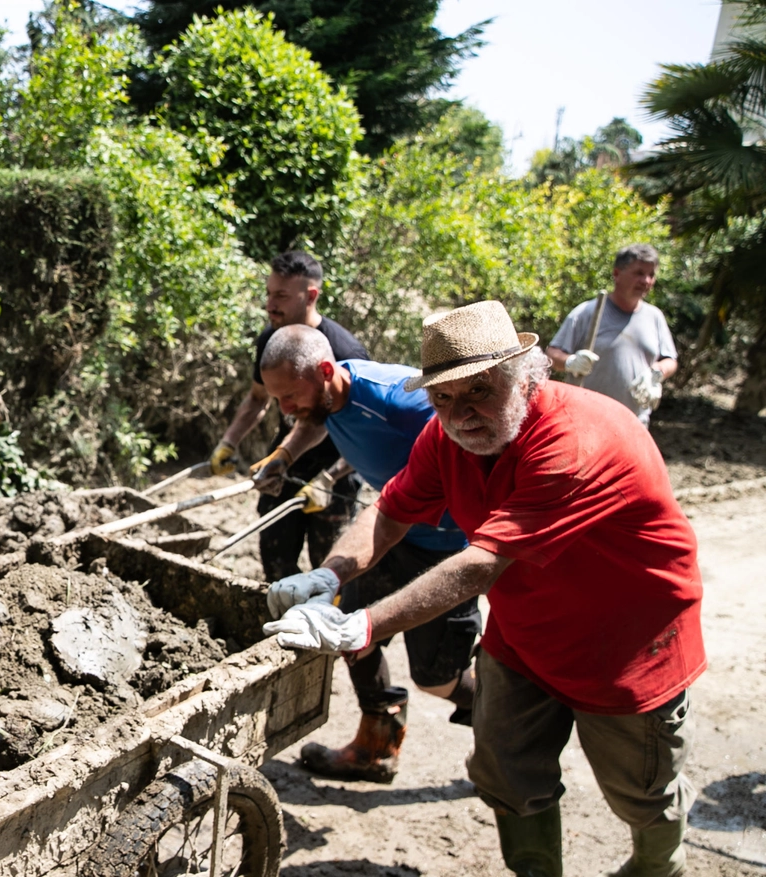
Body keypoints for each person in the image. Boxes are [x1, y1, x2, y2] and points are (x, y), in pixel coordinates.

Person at [264, 301, 705, 877]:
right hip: (525, 634)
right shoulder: (448, 436)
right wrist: (330, 574)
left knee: (644, 797)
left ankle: (657, 869)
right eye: (443, 398)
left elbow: (479, 565)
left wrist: (364, 625)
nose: (460, 413)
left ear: (526, 375)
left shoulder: (572, 442)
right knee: (505, 775)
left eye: (478, 390)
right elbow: (392, 511)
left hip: (628, 646)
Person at [256, 325, 476, 784]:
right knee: (352, 637)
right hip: (391, 536)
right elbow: (312, 422)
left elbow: (469, 451)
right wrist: (284, 455)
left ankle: (511, 722)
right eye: (277, 399)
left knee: (438, 679)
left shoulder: (401, 402)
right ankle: (375, 749)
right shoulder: (324, 396)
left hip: (446, 548)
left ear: (324, 370)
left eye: (289, 395)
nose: (285, 408)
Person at [210, 251, 369, 581]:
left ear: (310, 295)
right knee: (275, 561)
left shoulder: (345, 353)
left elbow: (367, 437)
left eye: (281, 295)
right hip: (285, 464)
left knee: (330, 571)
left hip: (333, 473)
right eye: (268, 293)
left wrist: (330, 478)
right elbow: (257, 400)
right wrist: (229, 442)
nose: (270, 304)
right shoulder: (271, 340)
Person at [547, 243, 677, 425]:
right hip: (587, 421)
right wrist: (570, 362)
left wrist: (657, 372)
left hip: (635, 422)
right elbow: (552, 355)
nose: (646, 281)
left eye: (651, 275)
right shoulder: (588, 312)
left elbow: (670, 360)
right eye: (639, 273)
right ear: (617, 274)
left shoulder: (654, 317)